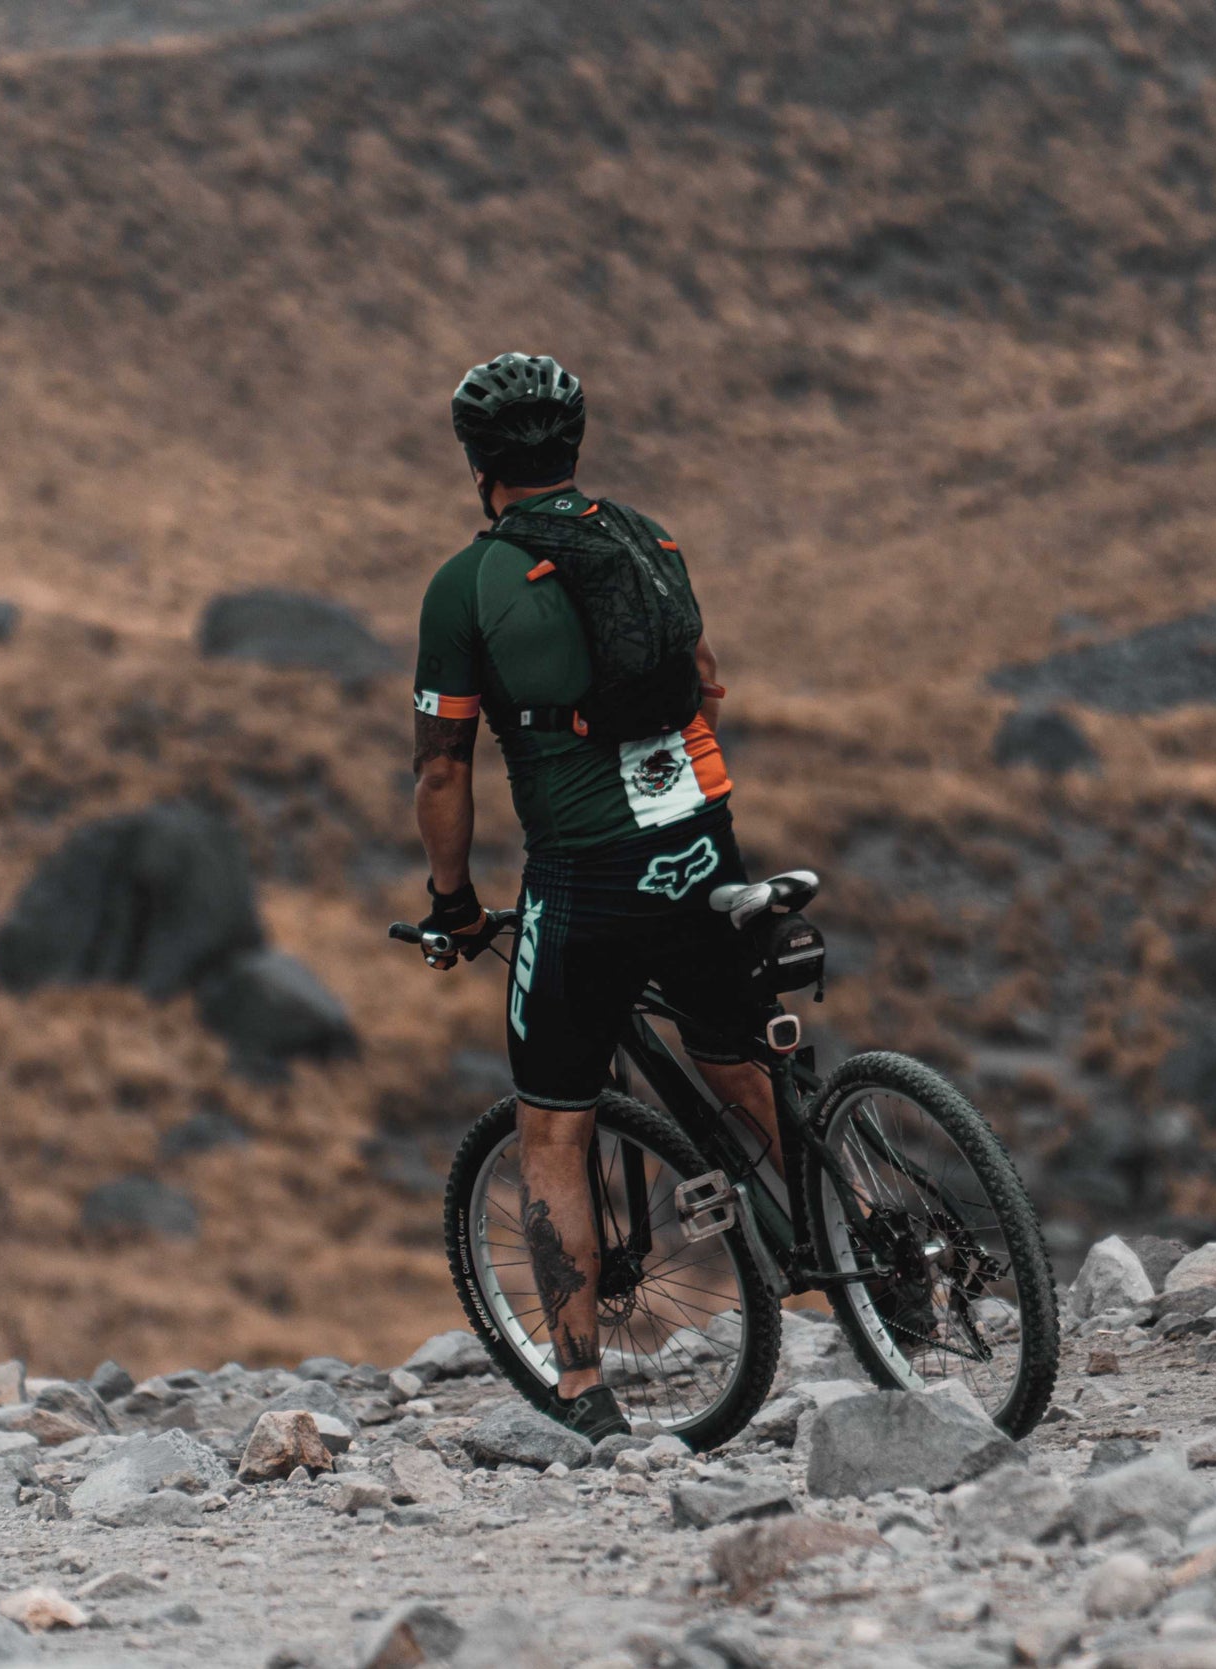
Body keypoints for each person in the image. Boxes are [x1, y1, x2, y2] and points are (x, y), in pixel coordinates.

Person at [410, 353, 781, 1441]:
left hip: (587, 878)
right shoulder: (650, 538)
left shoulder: (465, 586)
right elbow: (705, 679)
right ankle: (856, 1247)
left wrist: (452, 904)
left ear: (479, 465)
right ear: (573, 447)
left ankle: (582, 1390)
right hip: (703, 846)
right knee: (737, 1059)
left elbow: (441, 768)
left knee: (554, 1131)